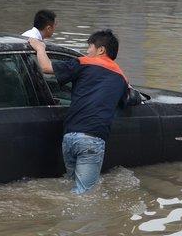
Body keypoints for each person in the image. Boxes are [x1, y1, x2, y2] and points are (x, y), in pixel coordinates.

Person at [29, 29, 130, 194]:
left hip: (69, 138)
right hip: (92, 140)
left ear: (101, 49)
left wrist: (40, 48)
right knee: (84, 195)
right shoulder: (121, 78)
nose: (87, 51)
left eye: (89, 47)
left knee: (72, 187)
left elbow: (46, 67)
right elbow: (127, 100)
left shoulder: (83, 63)